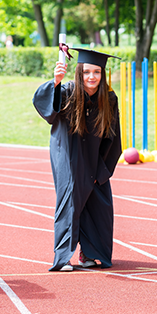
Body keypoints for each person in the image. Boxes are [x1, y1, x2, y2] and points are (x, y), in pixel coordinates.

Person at [33, 47, 122, 271]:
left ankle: (90, 253)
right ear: (79, 73)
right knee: (70, 199)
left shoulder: (109, 99)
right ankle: (63, 256)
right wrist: (55, 81)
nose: (91, 77)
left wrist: (101, 171)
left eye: (97, 72)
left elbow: (113, 137)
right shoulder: (67, 92)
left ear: (102, 75)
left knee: (99, 202)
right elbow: (46, 110)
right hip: (67, 154)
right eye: (86, 72)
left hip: (95, 157)